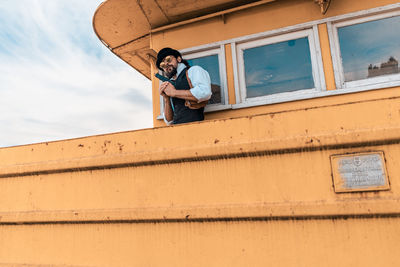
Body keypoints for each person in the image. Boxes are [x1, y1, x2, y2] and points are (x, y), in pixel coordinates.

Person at [156, 47, 212, 125]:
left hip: (196, 127)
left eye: (168, 59)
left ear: (178, 59)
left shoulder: (194, 70)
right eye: (162, 65)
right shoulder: (171, 83)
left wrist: (174, 92)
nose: (166, 64)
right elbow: (169, 121)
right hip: (178, 130)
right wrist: (166, 98)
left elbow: (205, 92)